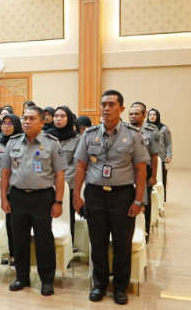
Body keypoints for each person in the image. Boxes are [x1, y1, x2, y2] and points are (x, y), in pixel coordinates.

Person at [73, 90, 148, 305]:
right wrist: (76, 195)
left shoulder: (133, 135)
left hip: (122, 195)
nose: (106, 108)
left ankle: (120, 287)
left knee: (122, 244)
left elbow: (141, 169)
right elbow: (80, 166)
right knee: (97, 243)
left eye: (111, 104)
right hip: (95, 194)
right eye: (103, 104)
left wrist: (139, 200)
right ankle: (100, 284)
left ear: (121, 108)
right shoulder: (89, 134)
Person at [1, 105, 66, 296]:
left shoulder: (52, 143)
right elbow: (5, 173)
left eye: (31, 118)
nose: (27, 122)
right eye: (25, 118)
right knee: (19, 239)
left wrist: (59, 202)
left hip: (42, 198)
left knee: (43, 240)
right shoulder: (13, 142)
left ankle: (47, 280)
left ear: (42, 122)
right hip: (18, 197)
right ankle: (21, 277)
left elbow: (59, 175)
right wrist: (3, 197)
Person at [46, 106, 80, 245]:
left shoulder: (76, 139)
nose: (58, 119)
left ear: (69, 119)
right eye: (56, 116)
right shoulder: (46, 137)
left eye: (62, 116)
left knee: (67, 216)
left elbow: (75, 165)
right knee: (46, 217)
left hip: (67, 185)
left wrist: (61, 181)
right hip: (46, 184)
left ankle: (68, 247)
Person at [128, 102, 160, 240]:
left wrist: (153, 176)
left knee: (144, 202)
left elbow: (154, 156)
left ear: (144, 115)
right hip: (127, 170)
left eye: (136, 114)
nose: (133, 116)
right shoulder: (124, 130)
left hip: (145, 171)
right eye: (131, 114)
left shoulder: (151, 132)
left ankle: (145, 231)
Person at [0, 113, 22, 266]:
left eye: (10, 123)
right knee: (6, 224)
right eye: (4, 123)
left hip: (15, 188)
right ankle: (8, 252)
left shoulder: (22, 143)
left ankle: (16, 255)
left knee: (15, 225)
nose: (6, 126)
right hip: (0, 188)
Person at [147, 108, 171, 202]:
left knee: (162, 178)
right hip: (148, 158)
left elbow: (168, 144)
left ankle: (162, 200)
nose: (152, 116)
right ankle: (150, 199)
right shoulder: (144, 128)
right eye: (150, 115)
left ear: (157, 116)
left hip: (161, 157)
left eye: (154, 115)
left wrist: (169, 155)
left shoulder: (164, 128)